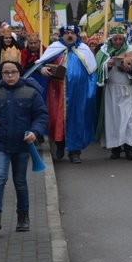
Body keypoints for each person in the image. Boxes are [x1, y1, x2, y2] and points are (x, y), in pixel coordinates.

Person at [0, 47, 48, 235]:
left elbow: (41, 115)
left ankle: (23, 216)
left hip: (22, 145)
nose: (9, 76)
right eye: (6, 73)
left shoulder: (31, 92)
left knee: (20, 181)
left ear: (19, 72)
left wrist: (36, 133)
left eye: (13, 72)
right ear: (2, 74)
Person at [32, 24, 98, 163]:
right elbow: (39, 64)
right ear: (62, 35)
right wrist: (42, 69)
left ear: (77, 35)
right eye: (67, 33)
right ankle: (60, 144)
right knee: (57, 119)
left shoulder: (84, 49)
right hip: (58, 93)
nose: (70, 35)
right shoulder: (55, 48)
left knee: (77, 120)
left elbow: (92, 72)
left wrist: (90, 93)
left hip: (78, 94)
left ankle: (75, 152)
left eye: (72, 33)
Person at [94, 25, 132, 161]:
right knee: (113, 120)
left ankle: (129, 149)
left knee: (129, 120)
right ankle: (115, 149)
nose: (117, 42)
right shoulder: (103, 53)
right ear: (110, 40)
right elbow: (98, 70)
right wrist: (108, 66)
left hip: (127, 90)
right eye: (115, 39)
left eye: (119, 39)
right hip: (111, 91)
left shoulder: (131, 51)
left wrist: (130, 70)